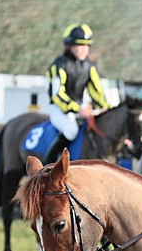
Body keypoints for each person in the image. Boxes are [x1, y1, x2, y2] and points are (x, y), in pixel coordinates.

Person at [45, 23, 109, 162]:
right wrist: (78, 109)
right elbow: (57, 95)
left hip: (81, 109)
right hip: (59, 109)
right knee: (71, 130)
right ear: (70, 46)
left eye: (87, 45)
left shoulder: (89, 66)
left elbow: (97, 91)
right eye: (80, 45)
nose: (84, 49)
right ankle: (48, 164)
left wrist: (104, 106)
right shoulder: (59, 64)